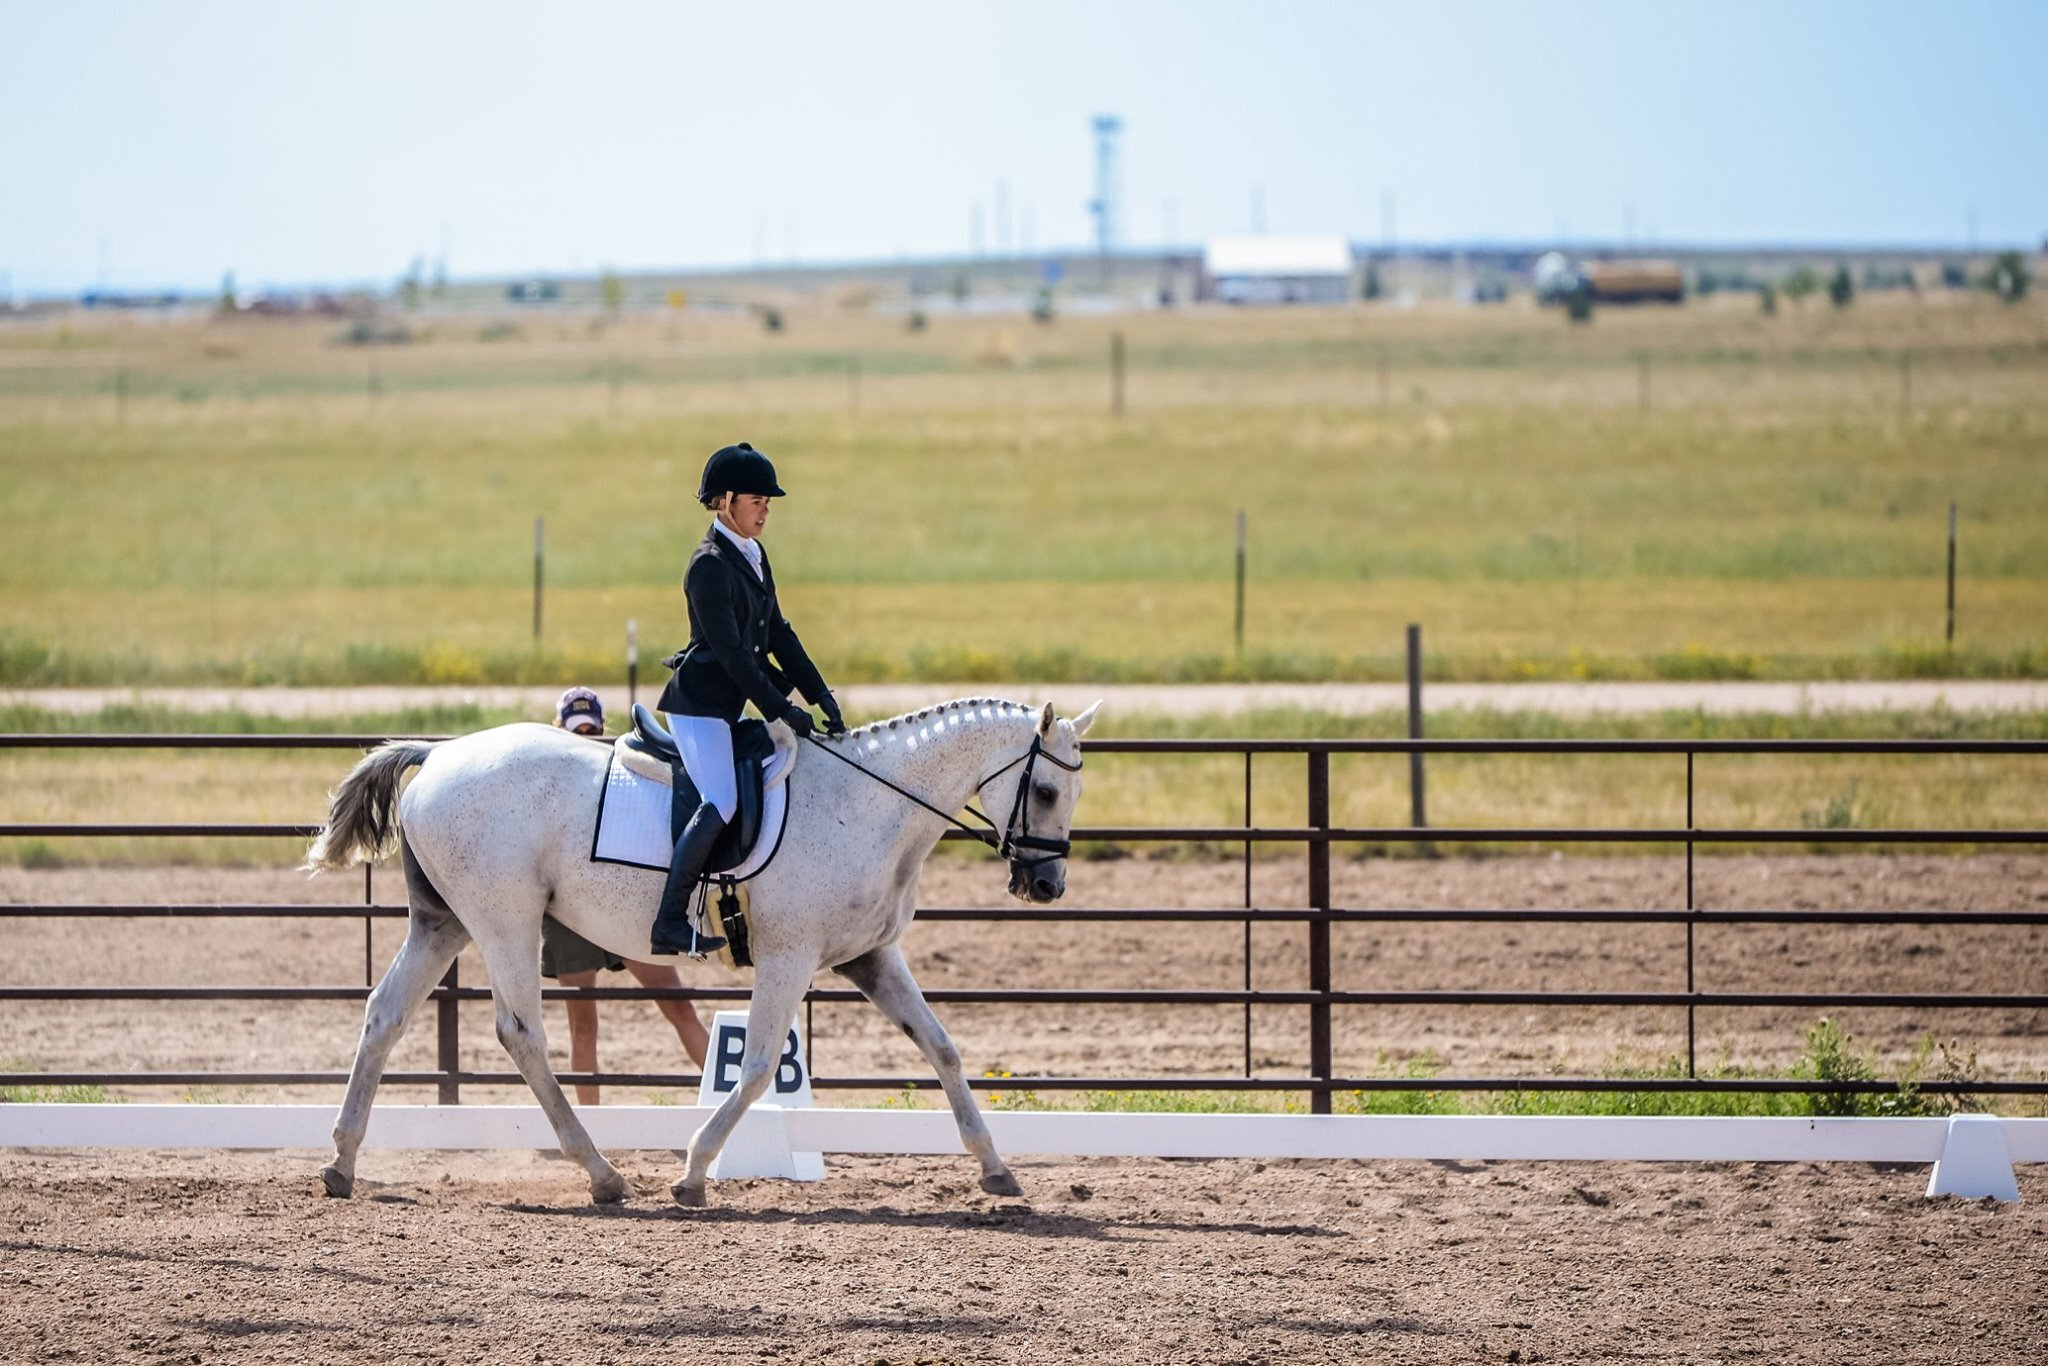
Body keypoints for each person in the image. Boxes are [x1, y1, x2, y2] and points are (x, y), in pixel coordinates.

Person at [650, 440, 845, 956]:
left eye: (768, 502)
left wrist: (820, 694)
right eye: (756, 500)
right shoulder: (708, 566)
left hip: (729, 705)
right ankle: (669, 920)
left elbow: (779, 634)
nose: (765, 510)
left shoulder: (754, 556)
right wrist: (784, 709)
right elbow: (736, 658)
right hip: (700, 710)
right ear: (726, 501)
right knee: (723, 798)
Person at [543, 686, 709, 1102]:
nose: (585, 737)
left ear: (601, 728)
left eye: (591, 730)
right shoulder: (554, 780)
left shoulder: (614, 770)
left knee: (679, 1005)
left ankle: (736, 1104)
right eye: (577, 730)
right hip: (571, 910)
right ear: (560, 730)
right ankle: (594, 1129)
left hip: (618, 901)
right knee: (584, 1028)